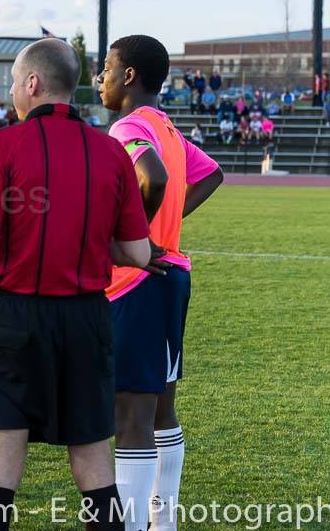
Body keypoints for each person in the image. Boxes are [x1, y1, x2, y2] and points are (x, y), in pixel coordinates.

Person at [0, 38, 151, 531]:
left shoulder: (1, 145)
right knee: (94, 468)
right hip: (87, 318)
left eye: (12, 83)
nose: (11, 93)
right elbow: (137, 253)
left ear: (32, 83)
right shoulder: (111, 152)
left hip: (15, 317)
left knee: (0, 471)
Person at [97, 34, 223, 531]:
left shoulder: (127, 127)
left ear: (128, 75)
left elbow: (153, 178)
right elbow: (210, 175)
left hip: (136, 282)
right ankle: (161, 522)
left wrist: (136, 241)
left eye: (106, 68)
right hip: (170, 277)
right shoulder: (166, 127)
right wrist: (161, 231)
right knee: (161, 410)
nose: (100, 78)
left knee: (130, 414)